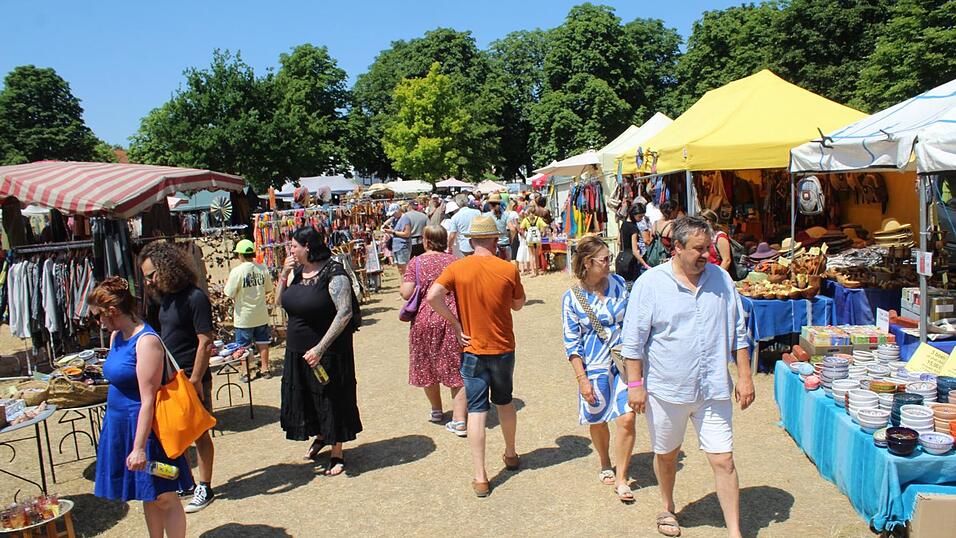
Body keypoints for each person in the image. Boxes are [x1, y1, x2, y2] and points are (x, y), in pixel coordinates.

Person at [621, 216, 755, 538]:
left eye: (708, 247)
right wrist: (636, 386)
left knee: (724, 460)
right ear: (677, 248)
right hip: (668, 391)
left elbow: (738, 331)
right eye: (698, 248)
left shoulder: (722, 280)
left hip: (713, 389)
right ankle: (667, 507)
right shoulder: (650, 284)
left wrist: (745, 376)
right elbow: (633, 341)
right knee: (666, 455)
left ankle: (735, 531)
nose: (707, 254)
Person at [426, 215, 526, 498]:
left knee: (478, 410)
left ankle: (480, 475)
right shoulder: (508, 269)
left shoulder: (458, 268)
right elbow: (518, 305)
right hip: (503, 347)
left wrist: (456, 324)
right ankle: (510, 453)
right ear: (495, 240)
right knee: (505, 403)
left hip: (471, 349)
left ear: (471, 241)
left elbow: (433, 296)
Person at [92, 277, 192, 538]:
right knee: (147, 495)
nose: (98, 322)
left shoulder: (146, 341)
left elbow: (148, 399)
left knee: (165, 496)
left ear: (112, 312)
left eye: (99, 316)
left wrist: (138, 448)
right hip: (121, 426)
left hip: (147, 432)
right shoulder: (116, 336)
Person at [277, 226, 362, 476]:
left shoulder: (334, 273)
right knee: (306, 397)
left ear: (307, 247)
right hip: (297, 349)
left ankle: (337, 450)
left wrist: (320, 348)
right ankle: (321, 435)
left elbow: (345, 312)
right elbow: (279, 302)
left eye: (293, 246)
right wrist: (284, 272)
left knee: (331, 397)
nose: (290, 250)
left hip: (327, 351)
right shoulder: (298, 271)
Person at [140, 241, 216, 513]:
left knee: (200, 432)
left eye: (152, 275)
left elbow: (205, 341)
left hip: (190, 377)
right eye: (146, 277)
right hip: (170, 377)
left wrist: (196, 380)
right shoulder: (164, 298)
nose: (149, 282)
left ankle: (205, 487)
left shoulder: (194, 298)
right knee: (177, 432)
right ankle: (187, 482)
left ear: (167, 268)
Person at [562, 236, 637, 502]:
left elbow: (633, 322)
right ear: (587, 263)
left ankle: (622, 477)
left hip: (624, 365)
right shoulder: (572, 298)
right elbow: (571, 343)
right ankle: (605, 460)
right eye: (604, 259)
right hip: (594, 368)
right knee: (598, 419)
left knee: (627, 418)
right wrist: (582, 379)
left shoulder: (619, 284)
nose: (610, 263)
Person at [400, 225, 467, 436]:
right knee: (456, 367)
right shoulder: (455, 262)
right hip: (452, 318)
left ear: (426, 241)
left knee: (426, 365)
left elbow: (406, 293)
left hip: (424, 319)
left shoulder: (416, 262)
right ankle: (459, 419)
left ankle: (436, 410)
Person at [224, 239, 275, 381]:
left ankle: (246, 372)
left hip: (244, 316)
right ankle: (265, 369)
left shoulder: (237, 271)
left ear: (240, 255)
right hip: (260, 314)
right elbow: (268, 289)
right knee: (263, 342)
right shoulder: (262, 268)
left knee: (243, 346)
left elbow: (228, 292)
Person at [616, 202, 653, 284]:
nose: (641, 219)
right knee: (631, 287)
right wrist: (646, 265)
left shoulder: (624, 224)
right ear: (634, 215)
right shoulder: (633, 228)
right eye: (640, 216)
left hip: (620, 259)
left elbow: (618, 242)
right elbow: (635, 251)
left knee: (622, 285)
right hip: (629, 262)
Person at [482, 193, 513, 261]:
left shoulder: (485, 216)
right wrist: (511, 239)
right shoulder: (506, 215)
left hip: (493, 246)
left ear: (490, 205)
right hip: (505, 244)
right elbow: (512, 229)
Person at [448, 193, 481, 257]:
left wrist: (449, 247)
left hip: (464, 246)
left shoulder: (455, 217)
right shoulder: (477, 212)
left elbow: (452, 235)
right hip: (477, 244)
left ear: (457, 204)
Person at [384, 203, 411, 276]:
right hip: (396, 246)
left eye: (394, 213)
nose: (393, 215)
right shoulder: (395, 219)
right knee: (400, 268)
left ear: (398, 211)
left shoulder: (405, 218)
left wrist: (393, 232)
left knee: (404, 268)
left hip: (403, 246)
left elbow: (407, 233)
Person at [520, 209, 548, 276]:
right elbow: (545, 225)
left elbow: (521, 228)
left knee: (531, 255)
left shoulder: (526, 219)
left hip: (530, 239)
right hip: (537, 239)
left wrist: (524, 235)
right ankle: (537, 271)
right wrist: (542, 232)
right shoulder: (538, 219)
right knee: (536, 255)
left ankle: (533, 271)